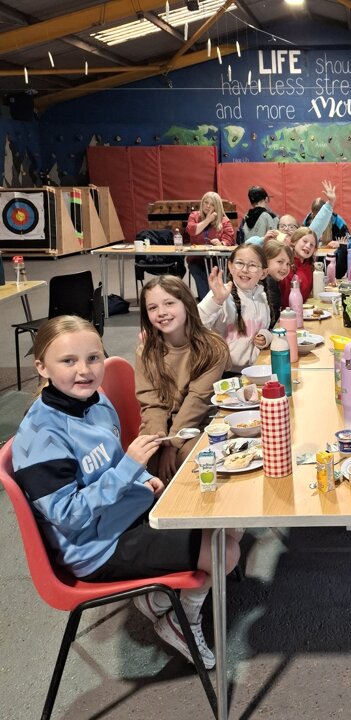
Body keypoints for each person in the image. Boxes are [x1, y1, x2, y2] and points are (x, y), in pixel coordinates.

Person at [11, 316, 242, 669]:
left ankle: (158, 601)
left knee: (231, 514)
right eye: (68, 361)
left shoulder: (96, 402)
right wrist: (127, 471)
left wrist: (139, 478)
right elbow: (68, 515)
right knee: (225, 551)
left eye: (93, 358)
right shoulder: (42, 437)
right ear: (42, 367)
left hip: (124, 513)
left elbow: (109, 461)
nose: (84, 370)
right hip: (97, 547)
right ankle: (180, 620)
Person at [136, 276, 230, 483]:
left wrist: (172, 445)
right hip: (160, 426)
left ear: (186, 304)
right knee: (146, 462)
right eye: (152, 308)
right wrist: (160, 440)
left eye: (169, 303)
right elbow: (151, 402)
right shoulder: (146, 351)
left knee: (188, 460)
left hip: (199, 420)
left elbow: (198, 400)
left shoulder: (213, 347)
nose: (161, 312)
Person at [198, 244, 272, 372]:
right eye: (239, 263)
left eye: (252, 265)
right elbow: (196, 324)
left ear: (264, 273)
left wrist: (266, 336)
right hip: (226, 373)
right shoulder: (221, 294)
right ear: (230, 266)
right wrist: (216, 301)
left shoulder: (262, 296)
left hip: (257, 368)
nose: (245, 270)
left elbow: (265, 328)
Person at [185, 191, 235, 300]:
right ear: (202, 203)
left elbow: (229, 238)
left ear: (217, 207)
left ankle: (218, 301)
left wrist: (221, 243)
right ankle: (207, 302)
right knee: (197, 271)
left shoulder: (224, 220)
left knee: (219, 273)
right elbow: (192, 231)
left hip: (217, 260)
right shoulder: (194, 216)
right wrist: (208, 220)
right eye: (206, 203)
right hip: (197, 259)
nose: (208, 206)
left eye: (212, 204)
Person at [279, 227, 318, 306]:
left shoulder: (310, 267)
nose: (308, 246)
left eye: (312, 245)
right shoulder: (285, 265)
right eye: (305, 241)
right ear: (294, 241)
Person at [263, 239, 294, 328]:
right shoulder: (269, 283)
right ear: (265, 261)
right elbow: (271, 322)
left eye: (288, 264)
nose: (285, 268)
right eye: (280, 262)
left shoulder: (272, 281)